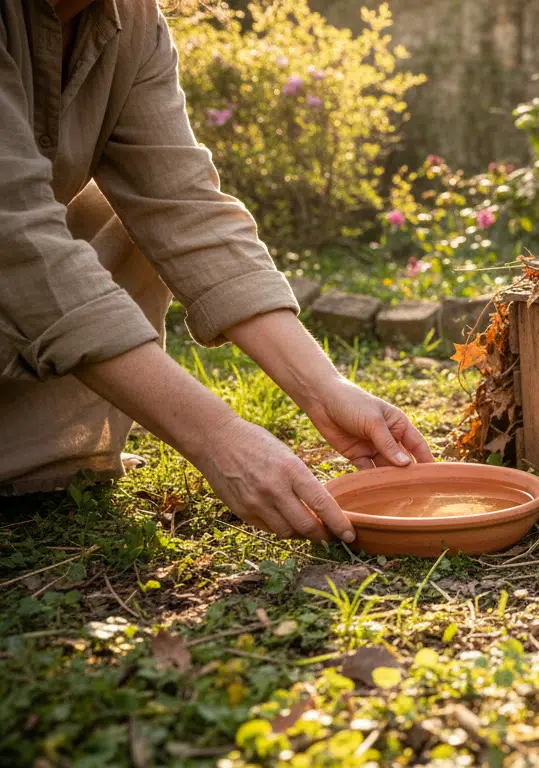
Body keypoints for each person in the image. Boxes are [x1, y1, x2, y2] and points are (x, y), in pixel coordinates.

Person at [0, 0, 435, 541]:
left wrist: (325, 390)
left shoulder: (129, 19)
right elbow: (16, 241)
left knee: (119, 217)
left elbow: (184, 209)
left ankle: (39, 453)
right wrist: (217, 437)